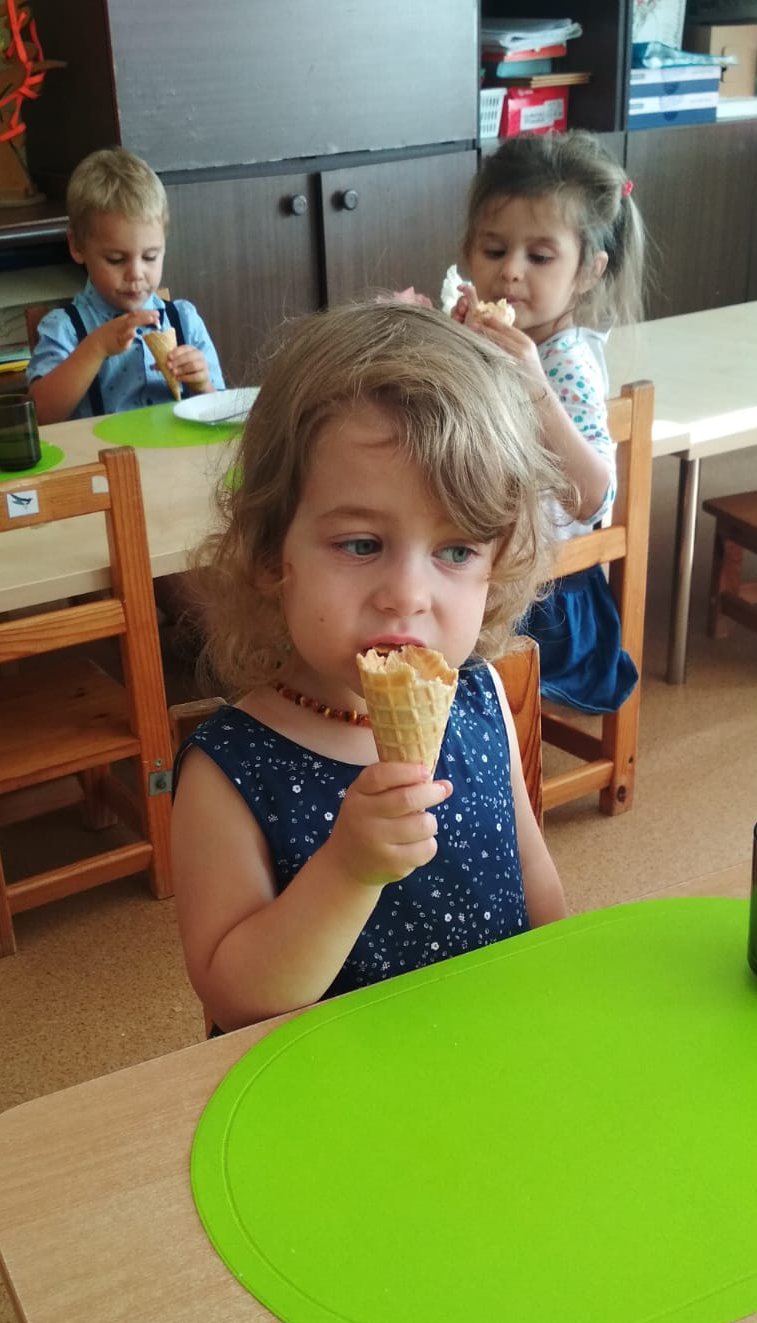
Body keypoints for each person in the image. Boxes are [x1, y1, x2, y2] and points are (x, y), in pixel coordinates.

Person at [171, 300, 567, 1033]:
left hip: (490, 1055)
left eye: (456, 551)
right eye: (360, 544)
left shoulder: (481, 699)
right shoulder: (228, 770)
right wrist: (348, 871)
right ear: (270, 555)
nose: (407, 595)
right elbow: (234, 998)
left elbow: (537, 892)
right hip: (329, 1086)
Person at [446, 130, 646, 715]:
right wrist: (452, 344)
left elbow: (594, 496)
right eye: (494, 250)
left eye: (539, 257)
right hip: (489, 569)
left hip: (548, 602)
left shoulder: (564, 362)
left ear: (588, 271)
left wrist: (532, 384)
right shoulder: (494, 338)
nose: (511, 272)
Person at [27, 147, 224, 425]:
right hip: (101, 452)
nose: (135, 274)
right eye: (116, 259)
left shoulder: (184, 320)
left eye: (150, 257)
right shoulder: (64, 328)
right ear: (77, 246)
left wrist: (202, 384)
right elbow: (42, 415)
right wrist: (95, 347)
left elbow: (221, 412)